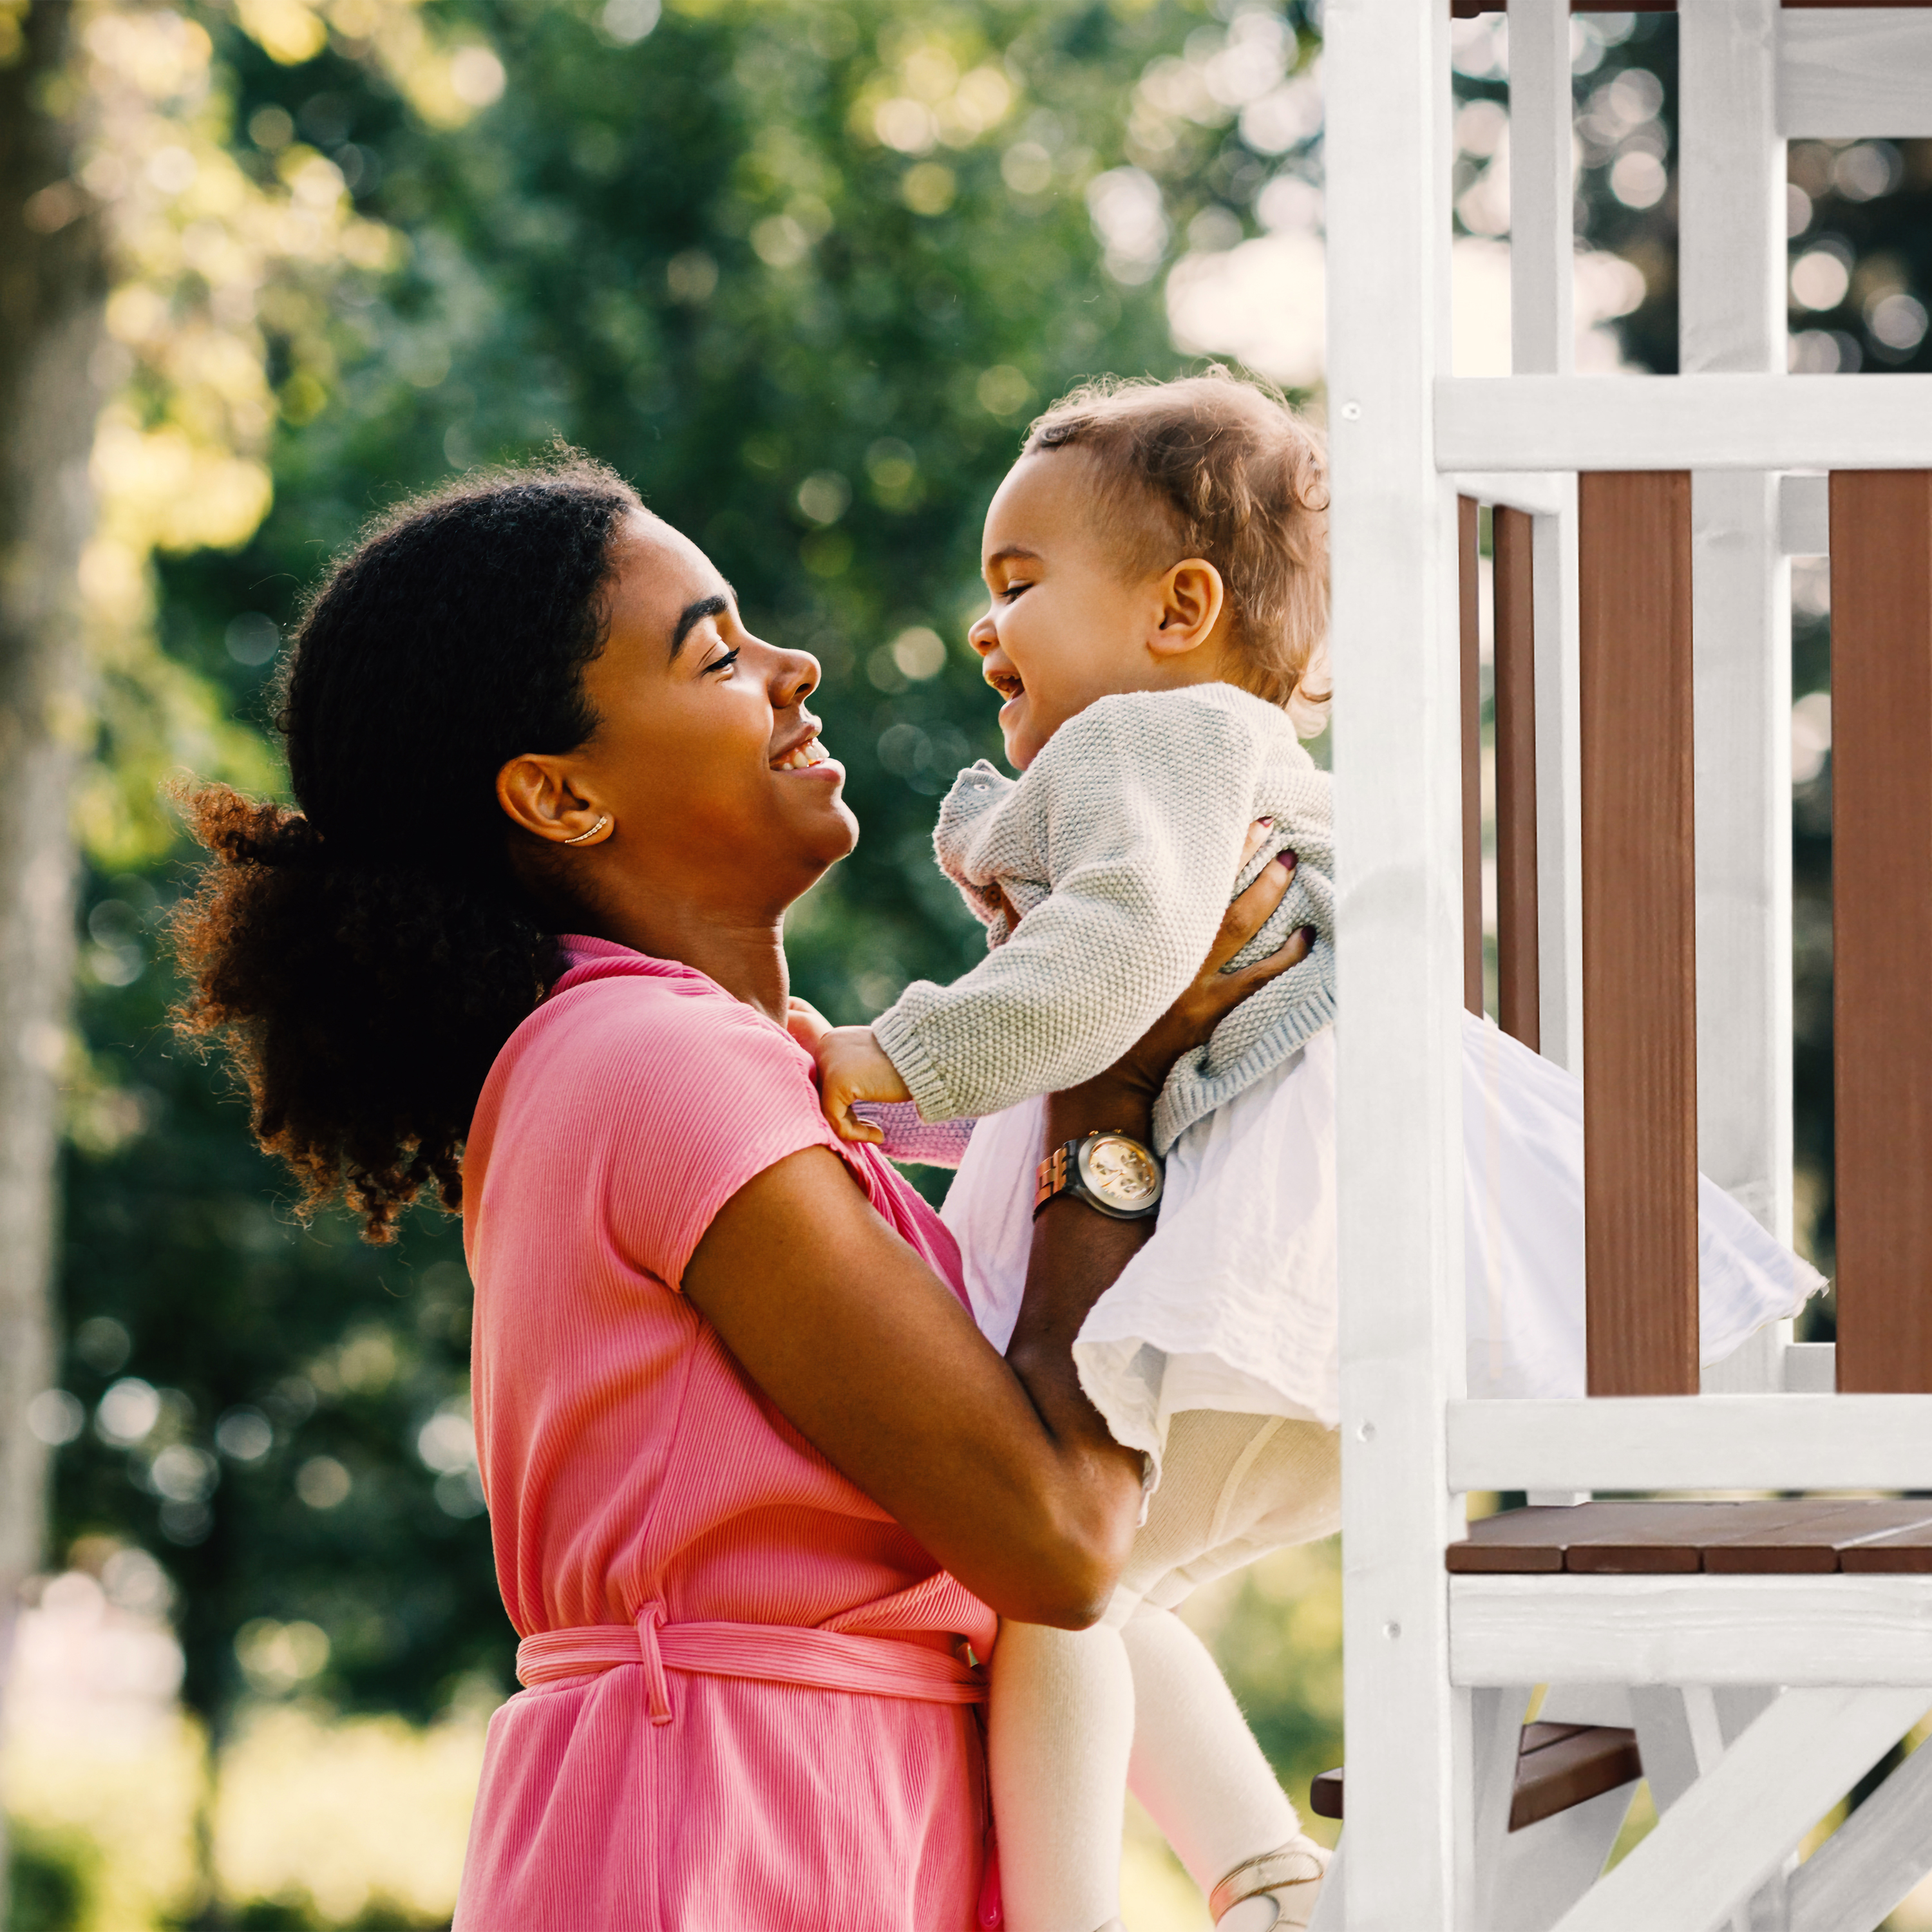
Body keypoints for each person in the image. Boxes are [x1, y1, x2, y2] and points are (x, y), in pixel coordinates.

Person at [164, 452, 1311, 1932]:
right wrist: (1115, 1090)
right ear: (562, 795)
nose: (793, 666)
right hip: (726, 1829)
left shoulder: (735, 1069)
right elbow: (1058, 1539)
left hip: (814, 1805)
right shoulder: (655, 1065)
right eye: (715, 652)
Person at [810, 371, 1825, 1932]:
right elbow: (1087, 1039)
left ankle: (1078, 1913)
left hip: (1255, 1231)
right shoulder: (1229, 752)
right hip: (1304, 1239)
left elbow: (1111, 968)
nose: (981, 625)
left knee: (1049, 1579)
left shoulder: (1157, 738)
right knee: (1096, 1578)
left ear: (1179, 607)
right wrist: (903, 1098)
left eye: (1018, 585)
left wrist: (890, 1059)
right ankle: (1268, 1878)